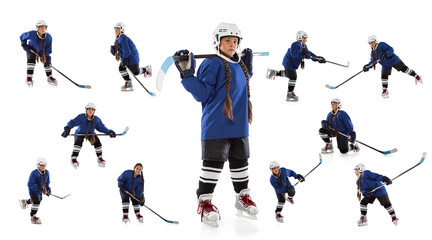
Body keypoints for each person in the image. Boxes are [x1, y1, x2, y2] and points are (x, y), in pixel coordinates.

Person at [173, 22, 258, 227]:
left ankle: (242, 198)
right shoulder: (212, 64)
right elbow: (202, 93)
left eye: (235, 41)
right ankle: (205, 202)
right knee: (213, 164)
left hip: (239, 125)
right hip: (216, 125)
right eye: (227, 40)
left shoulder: (238, 65)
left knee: (240, 162)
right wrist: (187, 74)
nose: (232, 44)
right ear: (217, 42)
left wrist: (247, 66)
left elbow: (238, 84)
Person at [266, 31, 326, 101]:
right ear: (300, 38)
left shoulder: (304, 46)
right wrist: (304, 55)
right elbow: (294, 54)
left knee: (289, 75)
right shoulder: (295, 44)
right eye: (305, 38)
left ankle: (274, 72)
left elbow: (308, 53)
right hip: (289, 63)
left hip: (291, 64)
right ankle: (289, 94)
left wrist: (318, 58)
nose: (306, 40)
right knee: (293, 77)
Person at [61, 103, 116, 169]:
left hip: (91, 133)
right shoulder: (81, 117)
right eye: (89, 109)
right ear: (86, 110)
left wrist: (108, 132)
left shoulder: (96, 119)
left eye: (92, 110)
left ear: (94, 111)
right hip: (80, 133)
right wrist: (67, 128)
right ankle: (73, 159)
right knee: (78, 143)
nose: (90, 111)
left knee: (98, 143)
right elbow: (72, 122)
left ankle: (100, 158)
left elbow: (101, 127)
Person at [110, 22, 152, 91]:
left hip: (132, 58)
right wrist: (113, 49)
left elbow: (127, 51)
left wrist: (125, 59)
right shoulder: (118, 38)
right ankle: (128, 82)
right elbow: (118, 46)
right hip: (125, 58)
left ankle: (147, 69)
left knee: (135, 72)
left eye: (117, 29)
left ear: (122, 30)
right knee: (121, 68)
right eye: (115, 29)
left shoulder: (123, 38)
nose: (115, 31)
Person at [20, 20, 57, 87]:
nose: (43, 29)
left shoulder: (48, 37)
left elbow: (48, 48)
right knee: (31, 59)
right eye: (41, 27)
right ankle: (29, 77)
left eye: (44, 27)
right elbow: (22, 36)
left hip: (42, 52)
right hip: (32, 50)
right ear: (37, 28)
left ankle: (50, 77)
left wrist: (45, 56)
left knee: (47, 62)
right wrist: (24, 44)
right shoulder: (31, 34)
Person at [19, 158, 51, 224]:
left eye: (44, 165)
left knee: (39, 199)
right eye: (42, 165)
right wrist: (39, 188)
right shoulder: (34, 173)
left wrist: (47, 189)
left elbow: (47, 182)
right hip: (33, 189)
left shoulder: (47, 172)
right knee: (36, 201)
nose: (43, 167)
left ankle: (25, 202)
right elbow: (30, 184)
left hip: (40, 190)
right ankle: (33, 217)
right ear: (38, 165)